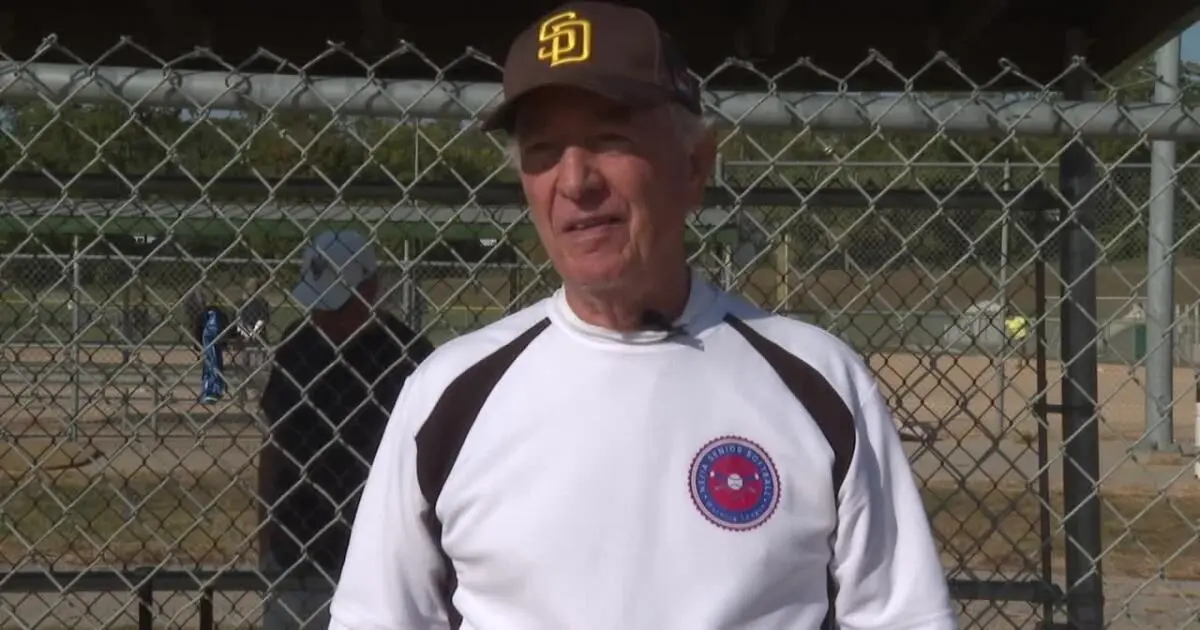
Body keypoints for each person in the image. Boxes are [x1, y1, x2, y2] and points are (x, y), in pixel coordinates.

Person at [329, 3, 956, 629]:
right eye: (544, 151)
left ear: (694, 165)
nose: (575, 181)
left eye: (610, 140)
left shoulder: (818, 381)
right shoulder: (449, 392)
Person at [257, 230, 435, 630]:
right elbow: (273, 445)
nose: (323, 316)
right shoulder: (297, 345)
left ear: (370, 289)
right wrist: (265, 535)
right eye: (316, 304)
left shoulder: (410, 358)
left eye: (336, 306)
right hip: (293, 552)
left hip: (373, 558)